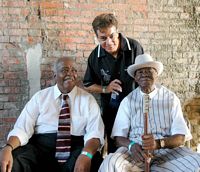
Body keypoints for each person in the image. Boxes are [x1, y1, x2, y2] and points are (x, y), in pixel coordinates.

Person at [0, 57, 104, 172]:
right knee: (14, 158)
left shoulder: (88, 100)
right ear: (54, 75)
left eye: (73, 70)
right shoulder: (40, 97)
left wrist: (86, 155)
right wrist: (8, 148)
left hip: (75, 149)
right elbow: (22, 129)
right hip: (41, 148)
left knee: (93, 159)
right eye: (65, 70)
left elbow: (95, 133)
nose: (70, 74)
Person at [99, 54, 200, 172]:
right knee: (110, 163)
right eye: (140, 72)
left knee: (197, 162)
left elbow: (180, 137)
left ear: (156, 74)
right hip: (136, 151)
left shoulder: (171, 98)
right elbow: (118, 137)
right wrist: (131, 146)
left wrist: (158, 144)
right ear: (135, 78)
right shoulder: (128, 101)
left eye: (149, 70)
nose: (144, 74)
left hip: (167, 150)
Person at [83, 13, 144, 153]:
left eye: (111, 36)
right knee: (114, 148)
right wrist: (106, 88)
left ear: (117, 32)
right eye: (103, 39)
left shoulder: (134, 47)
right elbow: (88, 84)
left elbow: (145, 74)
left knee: (137, 146)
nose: (109, 42)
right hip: (111, 111)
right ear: (97, 38)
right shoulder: (94, 56)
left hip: (136, 107)